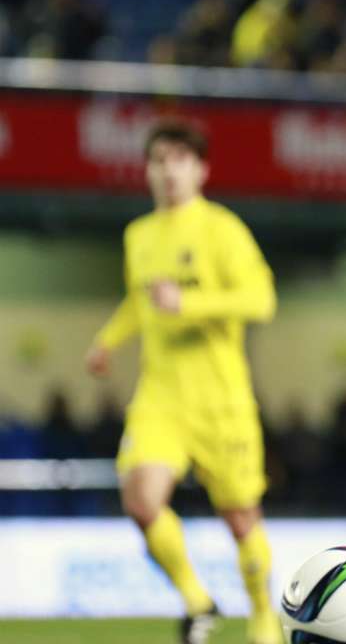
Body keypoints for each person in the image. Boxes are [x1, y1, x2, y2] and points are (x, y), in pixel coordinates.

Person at [85, 121, 281, 644]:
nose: (168, 170)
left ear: (201, 169)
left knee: (241, 519)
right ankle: (198, 600)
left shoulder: (222, 229)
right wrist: (107, 341)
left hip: (221, 398)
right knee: (141, 500)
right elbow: (140, 299)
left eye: (179, 159)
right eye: (159, 160)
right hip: (160, 396)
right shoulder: (139, 236)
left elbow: (260, 299)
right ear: (147, 170)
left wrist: (188, 303)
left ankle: (263, 614)